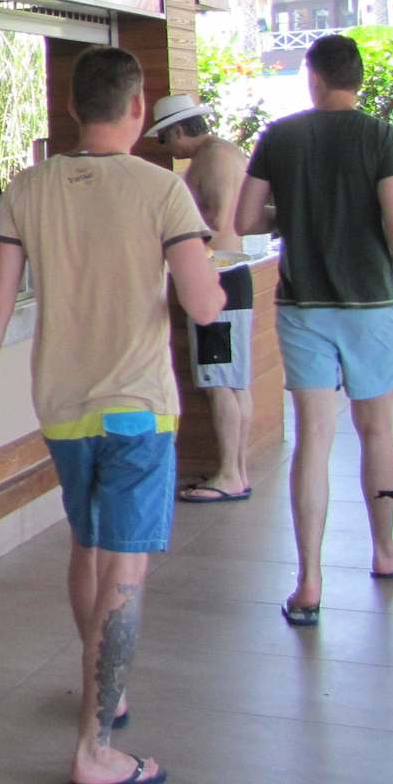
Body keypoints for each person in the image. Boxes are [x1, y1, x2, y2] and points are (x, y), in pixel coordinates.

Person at [0, 47, 224, 784]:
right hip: (138, 409)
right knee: (126, 567)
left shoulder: (28, 188)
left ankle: (106, 684)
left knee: (88, 543)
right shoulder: (162, 190)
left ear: (74, 107)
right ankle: (96, 748)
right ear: (138, 108)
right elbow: (203, 304)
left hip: (63, 407)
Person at [233, 33, 393, 628]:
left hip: (304, 304)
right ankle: (385, 552)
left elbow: (246, 218)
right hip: (372, 304)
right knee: (376, 431)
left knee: (314, 439)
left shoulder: (280, 136)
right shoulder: (381, 137)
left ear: (313, 76)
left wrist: (299, 212)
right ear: (356, 80)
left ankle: (308, 582)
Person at [144, 94, 255, 503]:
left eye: (164, 139)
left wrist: (171, 232)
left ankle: (230, 473)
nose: (167, 149)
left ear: (178, 130)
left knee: (220, 381)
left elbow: (217, 218)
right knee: (232, 381)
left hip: (219, 275)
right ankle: (236, 470)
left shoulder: (215, 157)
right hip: (227, 275)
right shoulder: (221, 153)